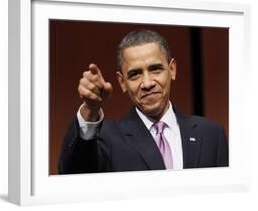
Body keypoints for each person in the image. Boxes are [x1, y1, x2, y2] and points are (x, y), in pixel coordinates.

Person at [58, 29, 229, 174]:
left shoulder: (211, 134)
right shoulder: (106, 138)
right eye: (135, 74)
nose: (147, 83)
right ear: (122, 82)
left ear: (172, 70)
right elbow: (72, 174)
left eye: (155, 69)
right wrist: (90, 109)